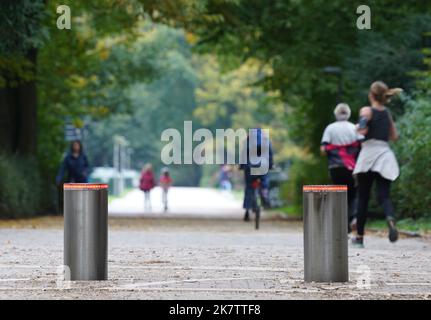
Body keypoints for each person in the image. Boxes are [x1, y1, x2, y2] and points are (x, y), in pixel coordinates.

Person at [352, 81, 402, 247]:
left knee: (363, 198)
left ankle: (359, 238)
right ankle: (390, 218)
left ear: (371, 95)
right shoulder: (387, 112)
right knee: (384, 195)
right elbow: (394, 136)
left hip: (368, 155)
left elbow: (363, 130)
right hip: (384, 155)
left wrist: (358, 126)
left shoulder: (366, 110)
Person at [320, 103, 363, 232]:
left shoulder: (330, 128)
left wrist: (333, 151)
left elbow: (323, 149)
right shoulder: (354, 128)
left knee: (339, 194)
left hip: (335, 167)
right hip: (352, 167)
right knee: (353, 194)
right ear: (348, 114)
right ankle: (352, 218)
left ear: (336, 113)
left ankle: (342, 225)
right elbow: (362, 145)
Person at [240, 128, 274, 222]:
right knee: (264, 182)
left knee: (249, 187)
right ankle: (264, 194)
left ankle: (247, 210)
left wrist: (242, 166)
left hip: (250, 167)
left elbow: (243, 155)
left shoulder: (248, 141)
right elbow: (270, 154)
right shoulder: (266, 140)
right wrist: (271, 165)